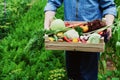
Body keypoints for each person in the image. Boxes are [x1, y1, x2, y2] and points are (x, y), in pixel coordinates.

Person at [44, 0, 117, 80]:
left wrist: (108, 25)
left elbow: (109, 6)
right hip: (70, 34)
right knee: (72, 73)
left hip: (92, 35)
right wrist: (47, 24)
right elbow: (52, 3)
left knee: (88, 75)